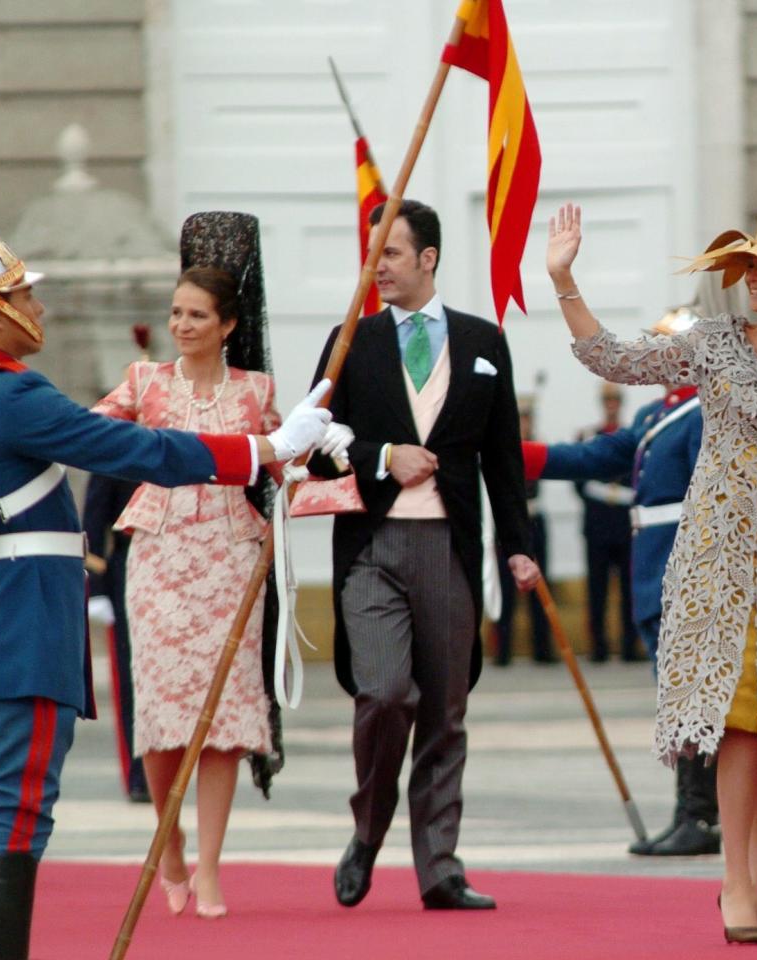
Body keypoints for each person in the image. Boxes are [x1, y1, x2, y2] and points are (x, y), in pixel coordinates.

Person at [0, 160, 335, 960]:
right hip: (24, 632)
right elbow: (136, 447)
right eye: (24, 296)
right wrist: (267, 446)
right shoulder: (12, 395)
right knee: (18, 821)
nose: (38, 307)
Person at [547, 204, 757, 943]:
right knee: (740, 722)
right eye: (746, 266)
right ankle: (733, 886)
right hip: (716, 561)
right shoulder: (715, 343)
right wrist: (565, 278)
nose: (749, 278)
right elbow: (616, 359)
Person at [308, 197, 539, 912]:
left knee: (444, 711)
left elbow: (503, 459)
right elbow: (314, 447)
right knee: (383, 694)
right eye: (373, 254)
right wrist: (381, 456)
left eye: (392, 254)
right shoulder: (351, 339)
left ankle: (440, 867)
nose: (378, 267)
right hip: (374, 546)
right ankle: (367, 834)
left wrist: (520, 550)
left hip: (450, 547)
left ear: (428, 258)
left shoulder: (482, 341)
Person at [93, 223, 326, 919]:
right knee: (163, 716)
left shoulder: (257, 389)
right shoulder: (144, 381)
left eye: (197, 315)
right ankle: (168, 846)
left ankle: (214, 865)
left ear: (227, 325)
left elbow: (285, 463)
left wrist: (320, 441)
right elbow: (94, 436)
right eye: (176, 313)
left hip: (230, 559)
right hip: (159, 557)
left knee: (222, 718)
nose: (183, 325)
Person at [520, 307, 714, 856]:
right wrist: (518, 455)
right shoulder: (659, 412)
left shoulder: (706, 412)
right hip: (652, 568)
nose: (652, 358)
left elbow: (707, 503)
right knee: (676, 695)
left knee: (692, 696)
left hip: (683, 569)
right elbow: (596, 456)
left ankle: (699, 815)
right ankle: (694, 813)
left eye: (663, 348)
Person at [81, 472, 148, 803]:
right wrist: (97, 585)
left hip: (186, 562)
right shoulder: (123, 423)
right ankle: (140, 773)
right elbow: (94, 516)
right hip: (130, 561)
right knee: (130, 673)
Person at [576, 382, 640, 663]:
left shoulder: (633, 438)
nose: (611, 404)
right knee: (597, 591)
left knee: (629, 591)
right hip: (598, 526)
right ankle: (598, 647)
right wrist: (607, 494)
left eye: (615, 399)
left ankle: (629, 646)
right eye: (607, 400)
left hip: (626, 527)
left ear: (620, 402)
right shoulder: (589, 437)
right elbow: (579, 483)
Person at [494, 396, 553, 665]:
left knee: (540, 585)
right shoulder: (500, 449)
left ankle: (543, 649)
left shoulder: (534, 447)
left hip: (534, 519)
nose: (524, 424)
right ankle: (502, 651)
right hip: (508, 524)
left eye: (527, 419)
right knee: (505, 591)